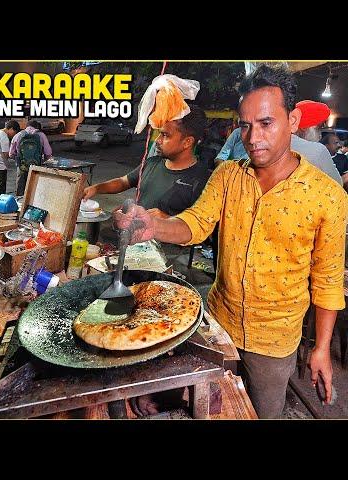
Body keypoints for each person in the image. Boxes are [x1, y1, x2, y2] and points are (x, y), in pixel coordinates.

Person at [115, 64, 348, 418]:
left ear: (294, 120)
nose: (253, 138)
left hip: (275, 341)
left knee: (260, 412)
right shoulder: (228, 175)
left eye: (266, 123)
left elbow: (328, 282)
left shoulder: (327, 196)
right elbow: (196, 223)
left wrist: (321, 348)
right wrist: (153, 226)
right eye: (245, 125)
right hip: (218, 323)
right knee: (204, 404)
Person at [84, 104, 210, 220]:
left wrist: (167, 219)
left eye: (165, 135)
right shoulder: (151, 163)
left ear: (187, 142)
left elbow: (201, 225)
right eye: (160, 134)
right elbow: (123, 182)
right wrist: (96, 188)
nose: (158, 140)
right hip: (135, 241)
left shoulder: (204, 181)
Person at [215, 102, 342, 186]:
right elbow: (337, 185)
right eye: (317, 127)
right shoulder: (317, 151)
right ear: (304, 128)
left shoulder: (265, 146)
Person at [9, 120, 53, 196]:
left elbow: (11, 154)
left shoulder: (18, 135)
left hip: (22, 167)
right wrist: (41, 160)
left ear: (26, 126)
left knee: (20, 188)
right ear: (37, 127)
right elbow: (48, 153)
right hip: (36, 167)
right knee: (34, 189)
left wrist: (18, 160)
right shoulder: (41, 135)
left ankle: (19, 202)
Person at [0, 120, 20, 198]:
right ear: (11, 129)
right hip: (1, 166)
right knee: (0, 191)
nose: (14, 135)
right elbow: (5, 154)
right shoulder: (4, 137)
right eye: (15, 132)